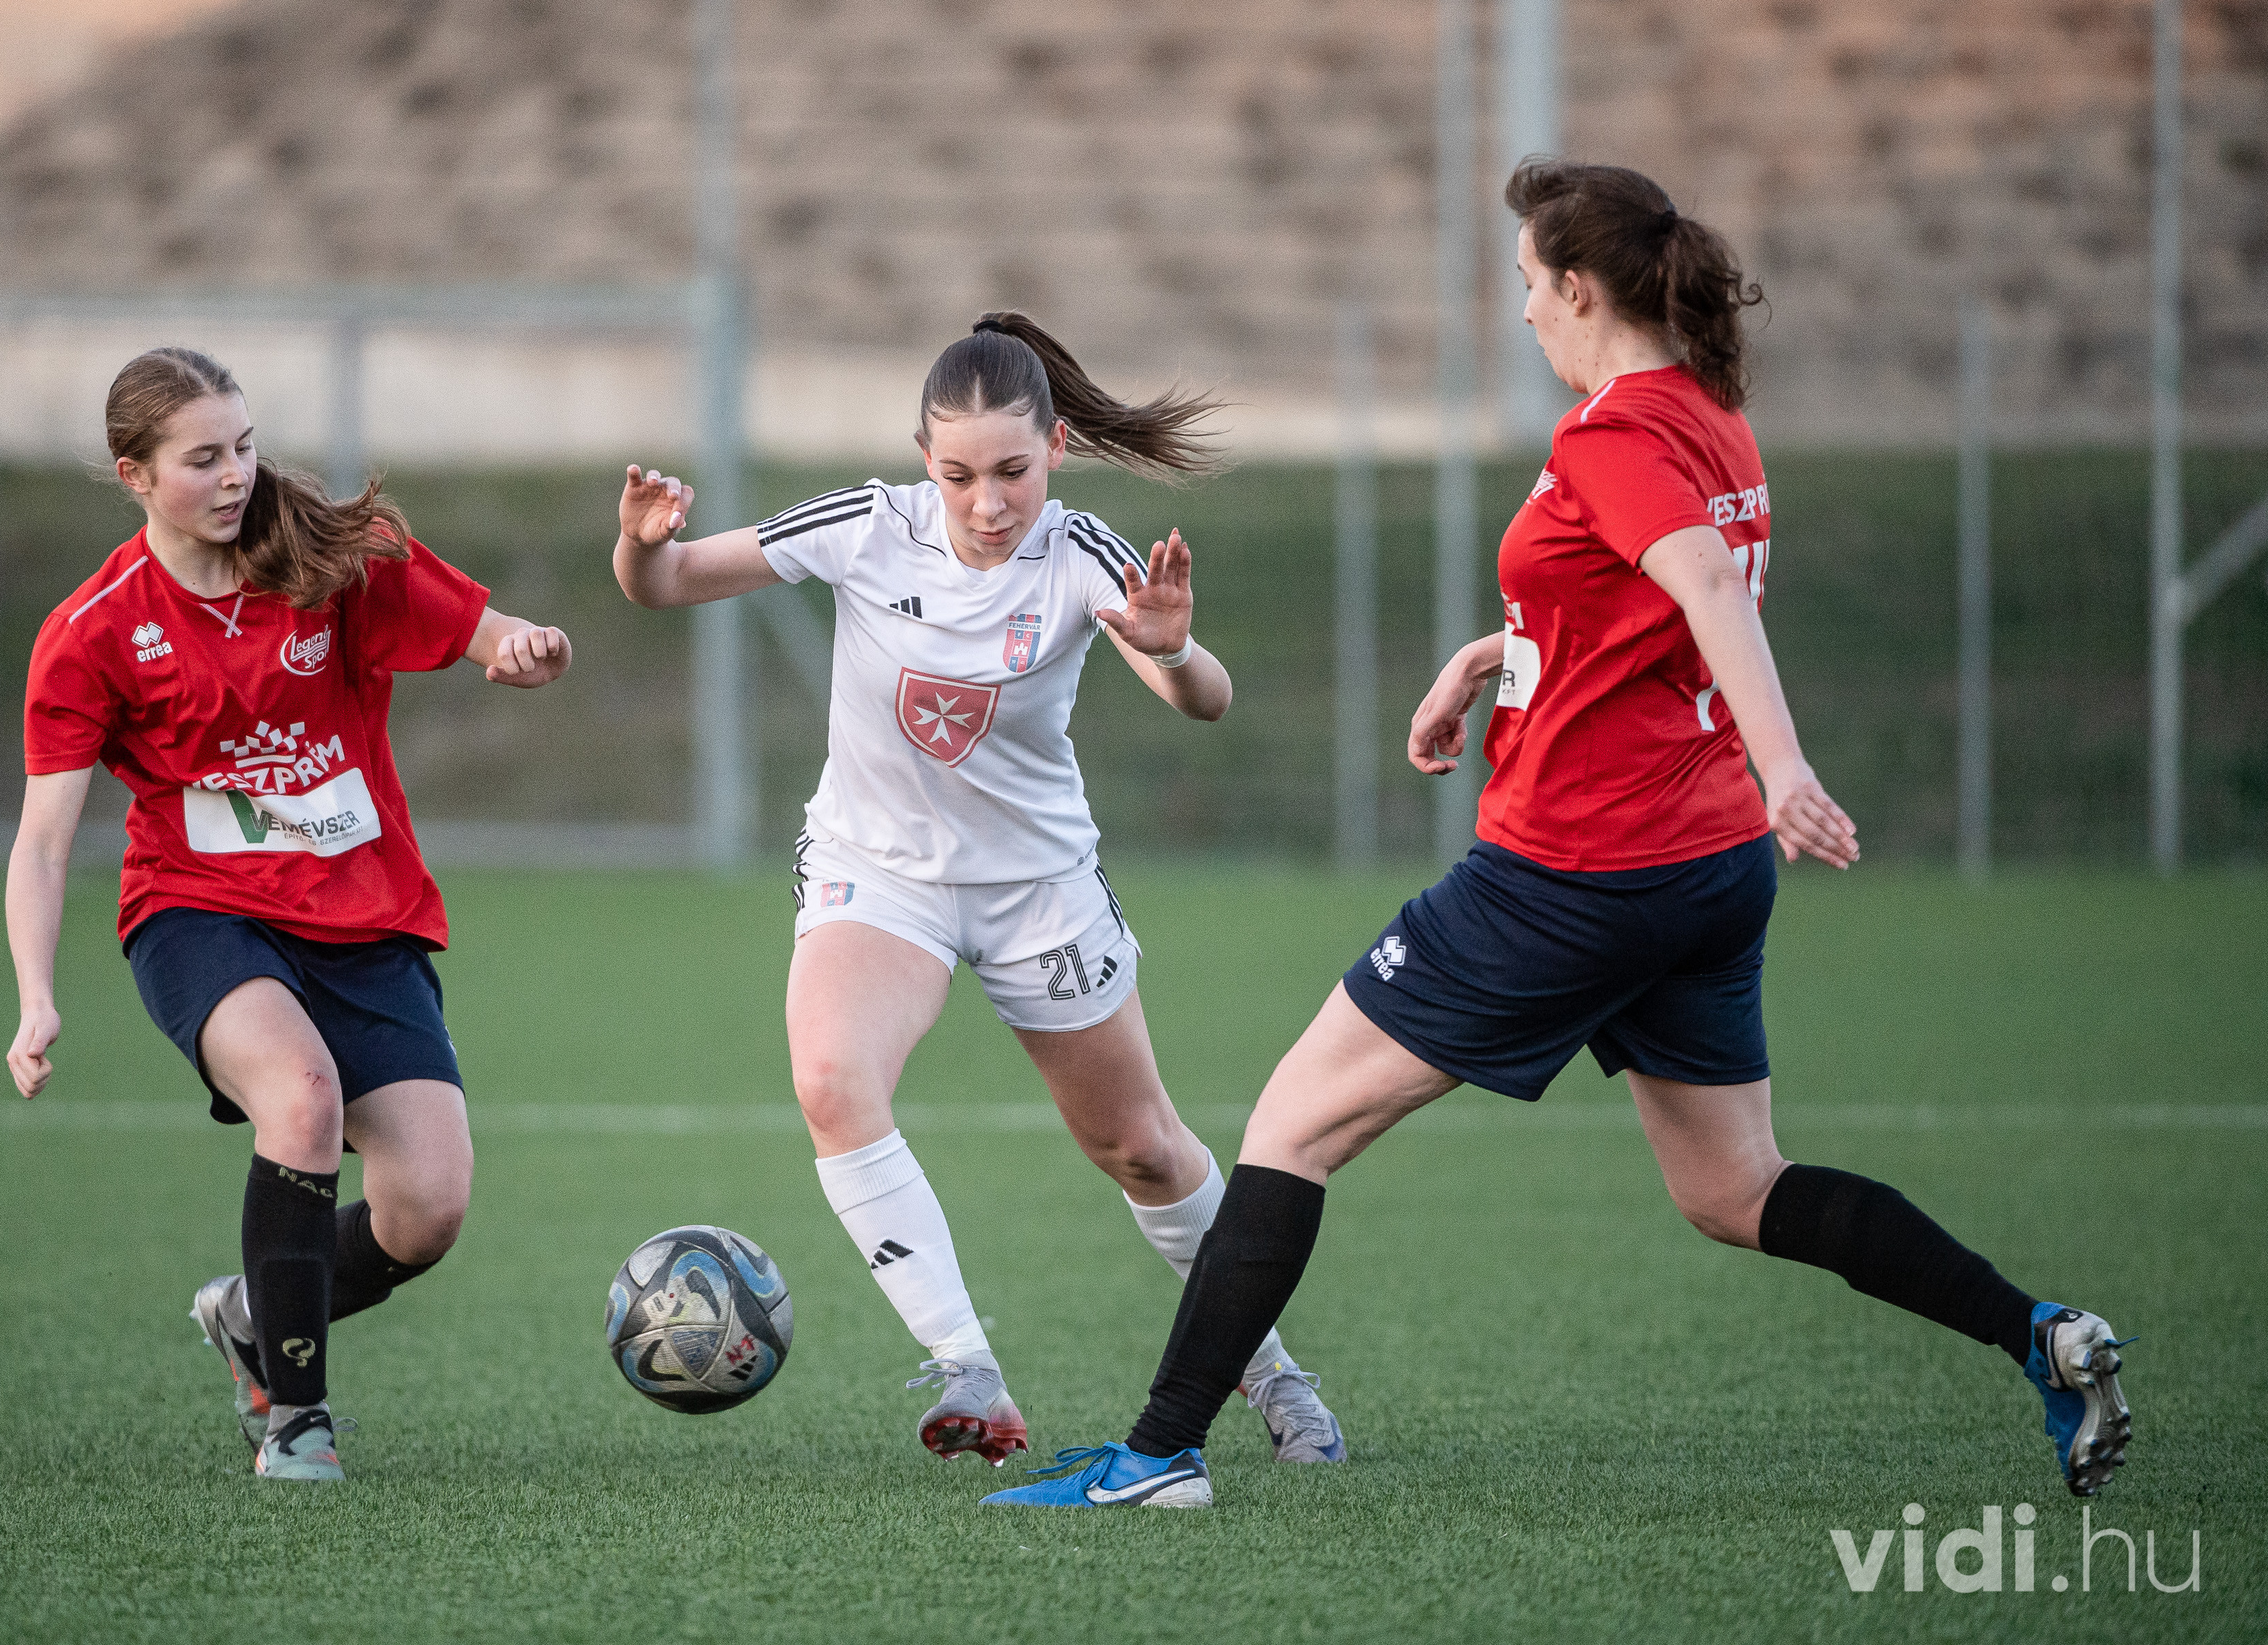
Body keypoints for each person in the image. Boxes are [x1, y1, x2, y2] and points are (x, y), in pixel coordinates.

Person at [986, 162, 2131, 1509]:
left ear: (1581, 289)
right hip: (1705, 871)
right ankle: (2041, 1336)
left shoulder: (1613, 437)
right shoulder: (1709, 415)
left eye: (1530, 282)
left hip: (1576, 869)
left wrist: (1788, 767)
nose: (1522, 308)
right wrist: (1491, 658)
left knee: (1292, 1124)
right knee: (1733, 1188)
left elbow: (1705, 588)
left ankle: (1160, 1456)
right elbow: (1636, 606)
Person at [611, 313, 1344, 1467]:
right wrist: (640, 544)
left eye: (1011, 472)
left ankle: (1276, 1376)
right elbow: (665, 584)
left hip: (1036, 890)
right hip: (879, 872)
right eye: (958, 476)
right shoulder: (867, 525)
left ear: (1056, 448)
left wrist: (1172, 647)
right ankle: (967, 1367)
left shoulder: (1085, 553)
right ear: (924, 461)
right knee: (832, 1081)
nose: (987, 503)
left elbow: (1203, 700)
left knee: (1143, 1150)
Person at [5, 347, 572, 1483]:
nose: (235, 476)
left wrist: (521, 649)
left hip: (364, 917)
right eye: (202, 459)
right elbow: (45, 839)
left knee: (427, 1208)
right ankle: (297, 1420)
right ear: (133, 476)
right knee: (301, 1096)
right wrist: (35, 998)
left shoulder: (330, 562)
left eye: (246, 447)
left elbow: (486, 629)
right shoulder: (94, 631)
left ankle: (250, 1314)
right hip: (199, 915)